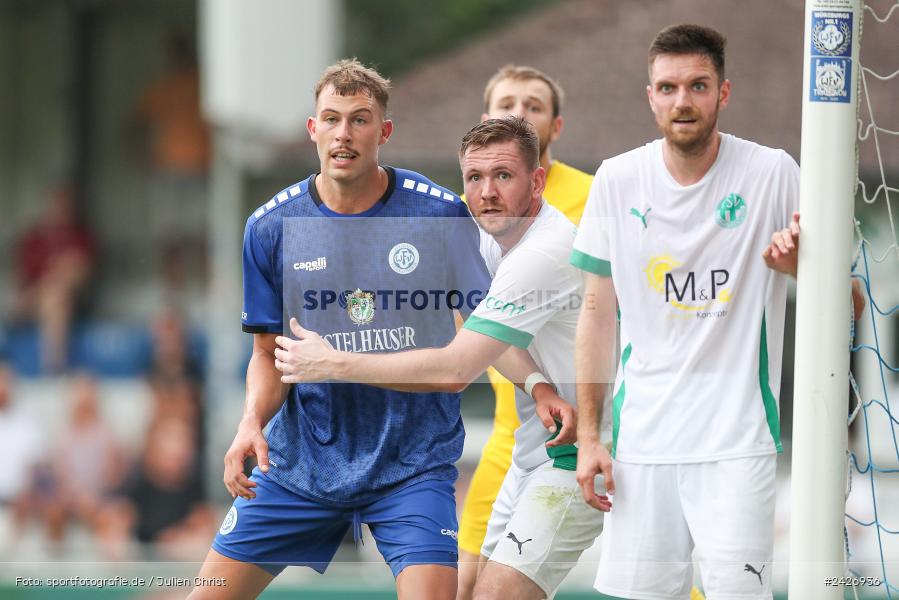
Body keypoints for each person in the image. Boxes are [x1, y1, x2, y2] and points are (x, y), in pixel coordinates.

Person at [188, 59, 499, 600]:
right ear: (313, 130)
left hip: (412, 463)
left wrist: (540, 388)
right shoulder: (270, 227)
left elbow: (481, 337)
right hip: (299, 465)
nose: (344, 134)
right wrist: (249, 423)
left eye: (360, 119)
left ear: (384, 132)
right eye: (331, 119)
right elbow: (268, 353)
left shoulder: (440, 216)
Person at [275, 117, 603, 600]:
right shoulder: (486, 237)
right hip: (534, 452)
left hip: (584, 456)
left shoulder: (543, 252)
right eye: (475, 178)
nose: (487, 192)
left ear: (537, 181)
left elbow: (456, 368)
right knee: (469, 592)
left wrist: (335, 363)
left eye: (503, 176)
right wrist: (537, 384)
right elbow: (467, 321)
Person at [572, 24, 804, 599]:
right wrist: (590, 437)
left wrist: (804, 269)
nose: (683, 101)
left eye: (698, 86)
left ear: (723, 93)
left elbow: (846, 298)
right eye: (669, 87)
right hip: (642, 441)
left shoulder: (774, 172)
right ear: (650, 95)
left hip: (738, 440)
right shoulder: (616, 178)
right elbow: (597, 312)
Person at [457, 65, 595, 599]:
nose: (518, 113)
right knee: (467, 587)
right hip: (512, 433)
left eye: (533, 105)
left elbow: (454, 364)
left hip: (587, 427)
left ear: (555, 127)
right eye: (505, 104)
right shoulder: (482, 209)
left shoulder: (593, 199)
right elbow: (460, 313)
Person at [13, 184, 97, 372]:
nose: (60, 210)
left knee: (57, 296)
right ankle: (54, 368)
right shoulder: (33, 238)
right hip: (32, 302)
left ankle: (52, 367)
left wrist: (57, 277)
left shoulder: (81, 237)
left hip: (73, 302)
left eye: (65, 205)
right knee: (53, 294)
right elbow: (22, 282)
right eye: (56, 204)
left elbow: (83, 274)